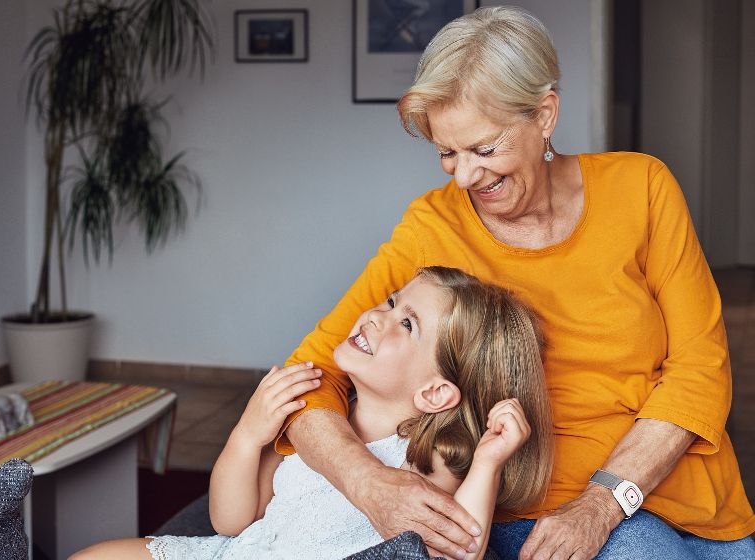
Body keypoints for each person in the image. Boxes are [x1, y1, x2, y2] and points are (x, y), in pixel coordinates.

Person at [276, 6, 755, 560]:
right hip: (536, 514)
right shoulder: (432, 226)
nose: (465, 177)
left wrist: (605, 502)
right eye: (446, 153)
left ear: (544, 114)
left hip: (679, 492)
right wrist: (369, 482)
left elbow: (701, 369)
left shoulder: (642, 188)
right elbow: (310, 377)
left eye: (484, 149)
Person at [69, 267, 554, 560]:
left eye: (406, 324)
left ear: (434, 394)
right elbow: (230, 520)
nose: (375, 316)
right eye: (390, 302)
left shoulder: (430, 456)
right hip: (247, 553)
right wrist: (246, 435)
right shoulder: (318, 419)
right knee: (94, 556)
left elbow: (460, 549)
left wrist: (488, 463)